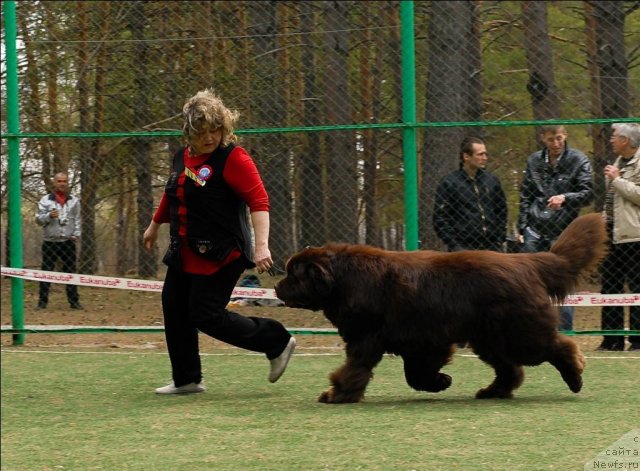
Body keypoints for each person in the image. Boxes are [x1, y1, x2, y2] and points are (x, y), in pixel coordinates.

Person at [143, 89, 296, 394]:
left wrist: (261, 245)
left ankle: (276, 340)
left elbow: (259, 200)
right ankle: (186, 379)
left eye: (216, 129)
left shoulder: (233, 158)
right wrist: (153, 226)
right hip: (185, 250)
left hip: (224, 252)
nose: (210, 136)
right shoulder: (181, 157)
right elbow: (173, 193)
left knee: (206, 315)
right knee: (174, 306)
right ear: (189, 132)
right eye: (202, 131)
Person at [517, 125, 593, 332]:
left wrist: (565, 198)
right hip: (534, 227)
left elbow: (588, 193)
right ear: (543, 139)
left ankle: (563, 330)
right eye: (551, 140)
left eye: (559, 138)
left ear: (565, 136)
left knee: (563, 280)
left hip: (562, 230)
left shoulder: (578, 160)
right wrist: (522, 227)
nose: (556, 143)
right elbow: (525, 195)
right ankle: (530, 328)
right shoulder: (534, 161)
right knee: (528, 278)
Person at [597, 123, 640, 351]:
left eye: (614, 136)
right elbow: (611, 199)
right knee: (609, 287)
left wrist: (617, 180)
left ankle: (637, 340)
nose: (611, 140)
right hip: (612, 234)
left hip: (635, 236)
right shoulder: (617, 163)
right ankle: (610, 340)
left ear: (626, 140)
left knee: (636, 289)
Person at [433, 136, 507, 252]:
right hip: (463, 248)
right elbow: (440, 218)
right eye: (480, 154)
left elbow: (501, 210)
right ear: (466, 156)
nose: (485, 158)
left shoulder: (492, 181)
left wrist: (499, 238)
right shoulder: (449, 183)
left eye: (485, 154)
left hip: (492, 247)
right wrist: (455, 246)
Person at [35, 172, 82, 310]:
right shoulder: (45, 200)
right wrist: (49, 216)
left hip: (68, 242)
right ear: (54, 183)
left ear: (67, 183)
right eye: (59, 181)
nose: (62, 183)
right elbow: (38, 219)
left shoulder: (74, 201)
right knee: (46, 272)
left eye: (65, 181)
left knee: (71, 272)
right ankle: (42, 303)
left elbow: (77, 219)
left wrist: (75, 235)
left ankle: (74, 302)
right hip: (50, 242)